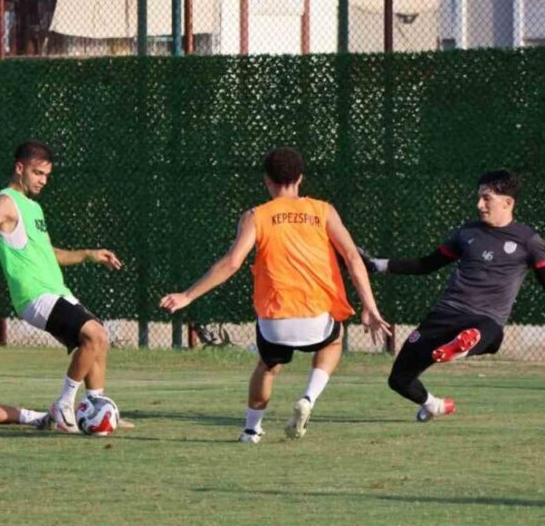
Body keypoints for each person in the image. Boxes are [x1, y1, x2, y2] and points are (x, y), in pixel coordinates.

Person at [160, 147, 390, 443]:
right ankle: (308, 397)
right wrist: (369, 307)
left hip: (275, 322)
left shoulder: (256, 216)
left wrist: (188, 296)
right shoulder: (323, 211)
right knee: (333, 341)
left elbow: (232, 263)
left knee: (268, 367)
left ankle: (251, 430)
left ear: (267, 180)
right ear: (300, 179)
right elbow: (353, 258)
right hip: (317, 320)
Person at [361, 169, 545, 422]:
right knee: (399, 379)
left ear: (508, 202)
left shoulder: (529, 241)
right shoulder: (467, 233)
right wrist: (376, 265)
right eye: (479, 197)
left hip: (486, 319)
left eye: (486, 198)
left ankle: (463, 344)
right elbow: (426, 265)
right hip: (446, 315)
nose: (479, 204)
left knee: (486, 333)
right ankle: (434, 405)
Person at [0, 141, 123, 433]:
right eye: (38, 173)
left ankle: (95, 410)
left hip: (55, 291)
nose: (42, 180)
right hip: (34, 295)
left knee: (97, 339)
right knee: (95, 333)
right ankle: (63, 406)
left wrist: (89, 254)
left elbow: (52, 255)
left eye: (47, 175)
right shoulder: (5, 202)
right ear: (19, 168)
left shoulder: (33, 208)